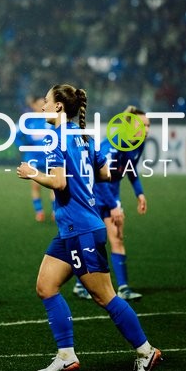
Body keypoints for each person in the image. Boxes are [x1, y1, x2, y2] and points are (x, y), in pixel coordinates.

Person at [16, 84, 161, 371]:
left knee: (104, 296)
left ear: (58, 107)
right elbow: (106, 174)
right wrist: (121, 155)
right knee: (46, 286)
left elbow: (59, 183)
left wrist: (32, 174)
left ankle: (146, 351)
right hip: (72, 230)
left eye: (46, 101)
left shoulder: (56, 137)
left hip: (81, 231)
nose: (42, 107)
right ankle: (66, 355)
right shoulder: (84, 137)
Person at [73, 106, 149, 301]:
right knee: (93, 243)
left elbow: (130, 169)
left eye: (148, 125)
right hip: (93, 197)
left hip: (110, 198)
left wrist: (139, 193)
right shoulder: (112, 145)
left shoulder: (137, 144)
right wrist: (114, 205)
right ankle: (80, 284)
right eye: (142, 125)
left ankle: (123, 288)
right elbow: (99, 179)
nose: (146, 129)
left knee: (116, 238)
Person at [17, 94, 55, 222]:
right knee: (35, 186)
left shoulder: (50, 119)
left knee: (54, 185)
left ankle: (56, 211)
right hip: (33, 158)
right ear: (33, 106)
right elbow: (16, 135)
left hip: (50, 158)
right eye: (38, 104)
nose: (41, 107)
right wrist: (23, 147)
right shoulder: (28, 121)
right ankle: (39, 212)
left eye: (43, 104)